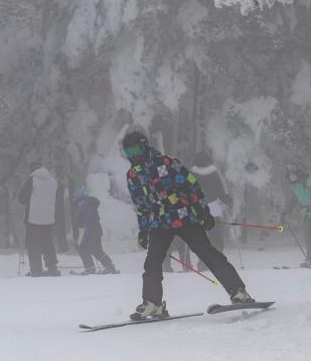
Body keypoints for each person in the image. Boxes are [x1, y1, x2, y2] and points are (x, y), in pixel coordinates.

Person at [122, 130, 255, 320]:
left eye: (135, 150)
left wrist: (203, 211)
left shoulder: (165, 163)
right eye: (128, 152)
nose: (133, 156)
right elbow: (141, 206)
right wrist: (144, 229)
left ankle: (239, 292)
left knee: (207, 253)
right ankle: (153, 304)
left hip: (183, 216)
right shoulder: (133, 175)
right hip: (161, 222)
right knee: (152, 262)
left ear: (144, 146)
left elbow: (191, 185)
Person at [190, 151, 232, 270]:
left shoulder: (192, 173)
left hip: (197, 206)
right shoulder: (213, 173)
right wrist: (226, 199)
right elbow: (220, 190)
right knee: (216, 231)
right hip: (213, 205)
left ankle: (203, 262)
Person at [17, 161, 60, 277]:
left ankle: (36, 269)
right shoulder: (53, 181)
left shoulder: (32, 180)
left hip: (33, 219)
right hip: (49, 219)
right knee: (48, 244)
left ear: (32, 170)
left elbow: (22, 198)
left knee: (33, 244)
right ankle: (52, 268)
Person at [73, 188, 118, 275]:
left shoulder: (86, 205)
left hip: (91, 232)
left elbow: (89, 220)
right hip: (95, 231)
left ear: (80, 197)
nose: (74, 199)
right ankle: (109, 267)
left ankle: (90, 268)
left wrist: (86, 233)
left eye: (75, 197)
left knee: (83, 250)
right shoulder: (86, 204)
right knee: (97, 251)